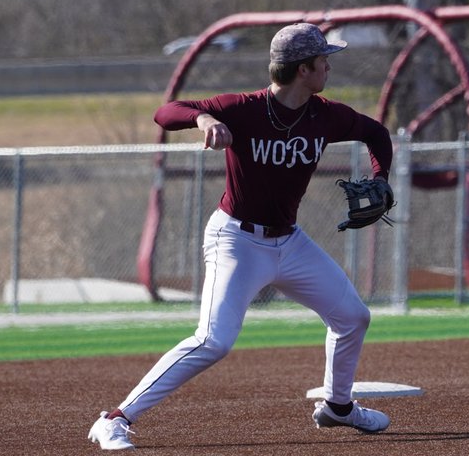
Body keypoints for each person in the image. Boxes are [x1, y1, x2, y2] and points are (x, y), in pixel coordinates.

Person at [88, 23, 395, 451]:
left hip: (289, 242)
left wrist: (382, 178)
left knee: (353, 318)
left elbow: (376, 134)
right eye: (323, 59)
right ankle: (115, 419)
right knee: (213, 341)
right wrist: (204, 117)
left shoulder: (325, 115)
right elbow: (167, 112)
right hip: (237, 240)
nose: (329, 64)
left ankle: (337, 408)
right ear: (303, 69)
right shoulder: (244, 108)